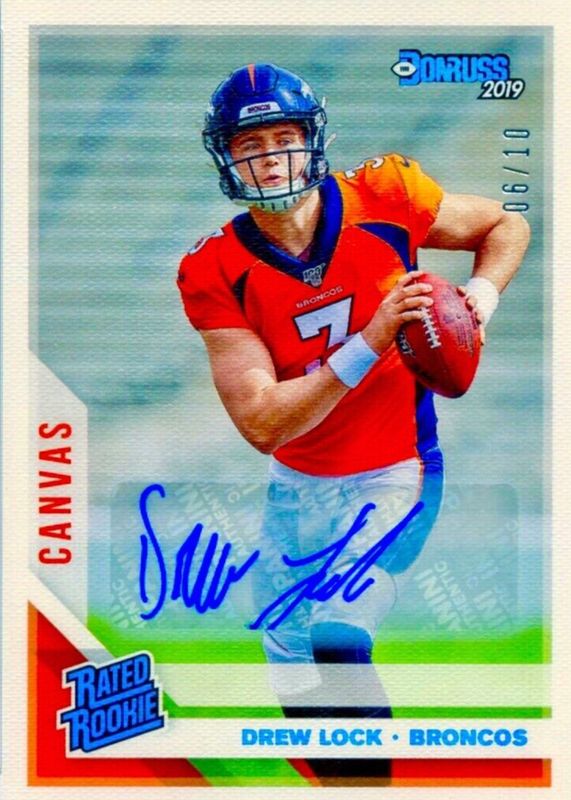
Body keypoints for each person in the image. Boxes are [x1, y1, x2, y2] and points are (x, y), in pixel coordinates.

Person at [177, 63, 530, 781]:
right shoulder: (214, 268)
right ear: (225, 157)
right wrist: (371, 339)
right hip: (295, 486)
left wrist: (479, 302)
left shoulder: (385, 195)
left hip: (396, 471)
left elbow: (505, 224)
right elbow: (261, 423)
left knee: (337, 634)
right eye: (250, 145)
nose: (271, 158)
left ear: (313, 141)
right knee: (289, 657)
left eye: (284, 138)